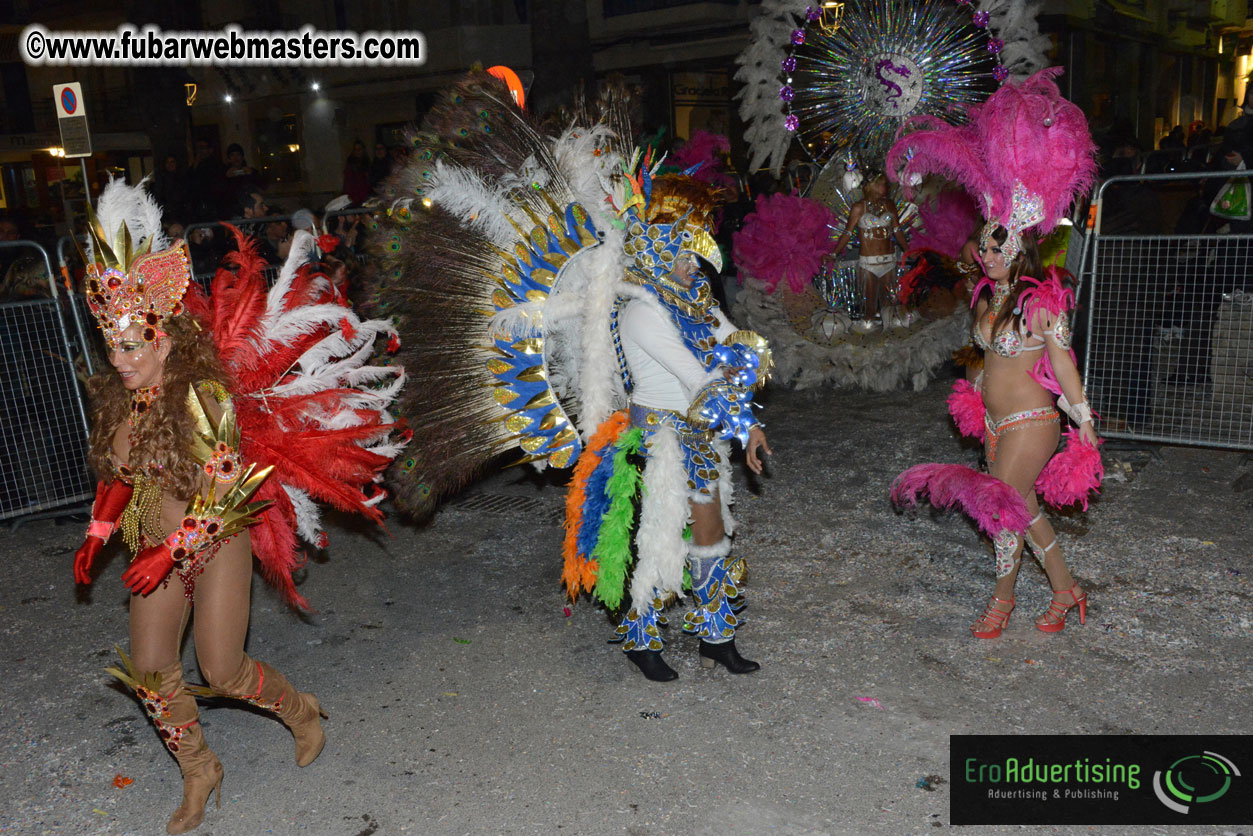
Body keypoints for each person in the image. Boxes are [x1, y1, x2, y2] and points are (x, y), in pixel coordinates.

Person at [71, 179, 404, 834]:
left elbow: (227, 496)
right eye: (113, 345)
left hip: (213, 544)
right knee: (150, 671)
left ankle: (300, 712)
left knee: (222, 671)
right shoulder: (121, 399)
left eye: (133, 345)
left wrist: (171, 549)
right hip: (152, 549)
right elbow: (119, 474)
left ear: (165, 338)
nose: (122, 358)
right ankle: (200, 769)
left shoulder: (202, 400)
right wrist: (98, 529)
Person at [887, 68, 1103, 639]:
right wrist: (979, 402)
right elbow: (985, 359)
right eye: (983, 240)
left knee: (1002, 513)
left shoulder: (1040, 299)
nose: (986, 250)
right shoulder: (988, 297)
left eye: (997, 242)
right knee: (1024, 507)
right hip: (994, 420)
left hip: (1033, 422)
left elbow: (1062, 364)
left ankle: (1001, 600)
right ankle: (1066, 590)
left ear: (1023, 243)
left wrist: (1083, 420)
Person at [832, 169, 910, 332]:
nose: (885, 187)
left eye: (885, 184)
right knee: (869, 308)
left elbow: (897, 231)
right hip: (868, 264)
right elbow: (847, 233)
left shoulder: (889, 204)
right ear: (871, 186)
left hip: (889, 261)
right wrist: (834, 253)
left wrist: (908, 251)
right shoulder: (859, 208)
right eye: (881, 184)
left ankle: (891, 342)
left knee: (889, 307)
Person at [341, 140, 371, 205]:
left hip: (365, 195)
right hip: (354, 196)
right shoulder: (350, 164)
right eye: (355, 149)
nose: (357, 151)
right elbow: (348, 183)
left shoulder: (367, 163)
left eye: (359, 149)